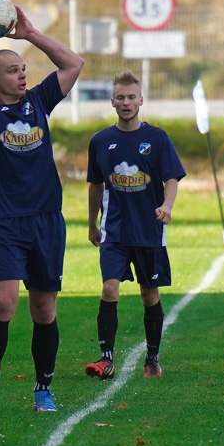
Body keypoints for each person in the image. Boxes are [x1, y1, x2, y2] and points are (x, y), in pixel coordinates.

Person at [0, 3, 83, 414]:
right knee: (5, 302)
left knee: (44, 309)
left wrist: (29, 34)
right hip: (5, 221)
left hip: (46, 219)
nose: (22, 74)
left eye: (23, 68)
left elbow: (73, 64)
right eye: (13, 70)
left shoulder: (39, 102)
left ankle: (43, 389)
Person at [84, 71, 186, 380]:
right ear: (112, 100)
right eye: (121, 97)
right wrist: (92, 224)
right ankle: (105, 358)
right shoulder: (100, 141)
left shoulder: (157, 138)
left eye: (131, 97)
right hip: (114, 231)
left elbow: (171, 178)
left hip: (148, 231)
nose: (126, 102)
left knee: (149, 295)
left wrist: (167, 206)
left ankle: (152, 357)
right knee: (109, 289)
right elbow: (95, 186)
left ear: (141, 100)